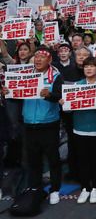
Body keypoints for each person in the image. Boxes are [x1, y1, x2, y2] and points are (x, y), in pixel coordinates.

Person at [3, 47, 64, 205]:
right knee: (33, 160)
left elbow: (59, 97)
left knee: (53, 159)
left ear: (49, 60)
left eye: (41, 57)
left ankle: (55, 189)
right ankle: (35, 188)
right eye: (35, 56)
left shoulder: (56, 76)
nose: (37, 59)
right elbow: (18, 98)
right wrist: (9, 92)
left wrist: (49, 95)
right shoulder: (25, 75)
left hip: (49, 123)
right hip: (29, 124)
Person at [61, 56, 96, 204]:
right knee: (82, 159)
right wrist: (64, 104)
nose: (88, 69)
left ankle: (95, 187)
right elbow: (68, 111)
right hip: (80, 128)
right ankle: (85, 187)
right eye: (86, 66)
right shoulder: (77, 85)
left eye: (92, 66)